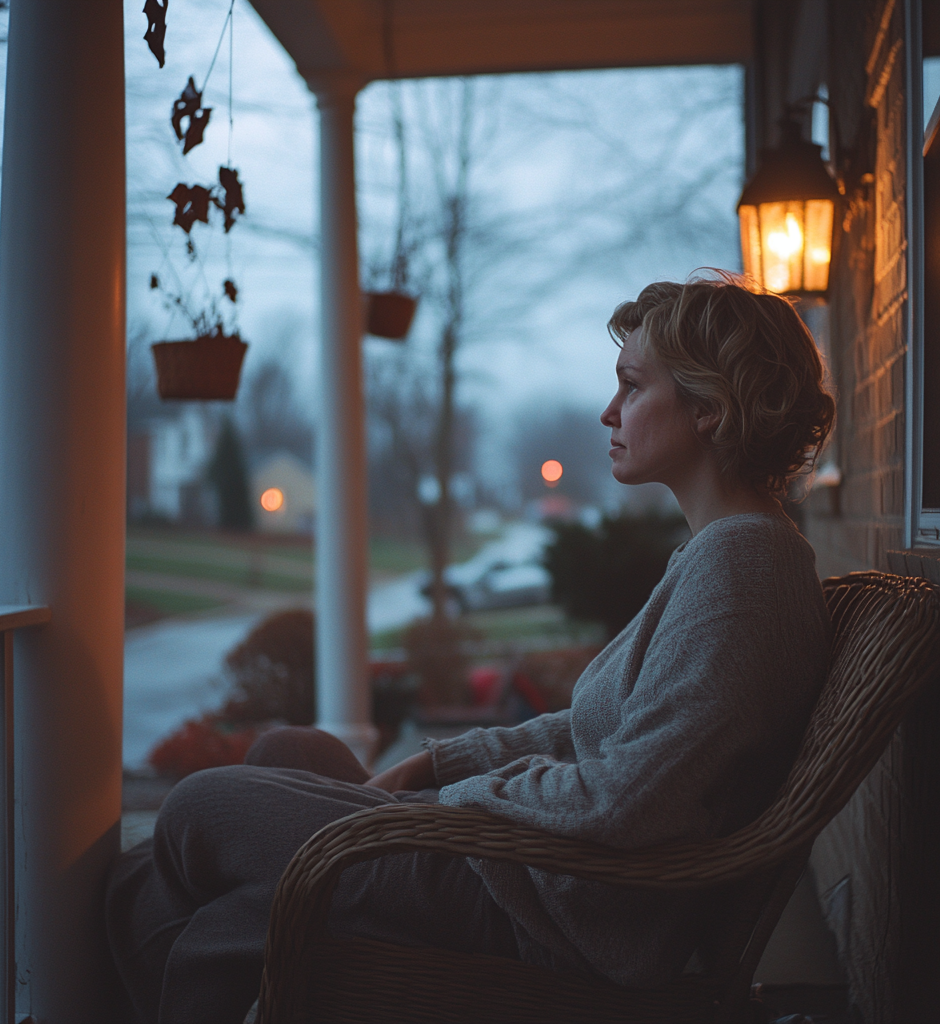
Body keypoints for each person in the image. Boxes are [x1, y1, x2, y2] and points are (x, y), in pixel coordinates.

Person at [106, 273, 836, 1023]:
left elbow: (630, 800)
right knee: (286, 754)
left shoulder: (745, 570)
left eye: (631, 386)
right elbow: (610, 734)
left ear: (709, 407)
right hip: (537, 879)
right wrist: (439, 761)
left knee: (201, 810)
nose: (607, 411)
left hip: (557, 913)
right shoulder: (722, 555)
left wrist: (451, 805)